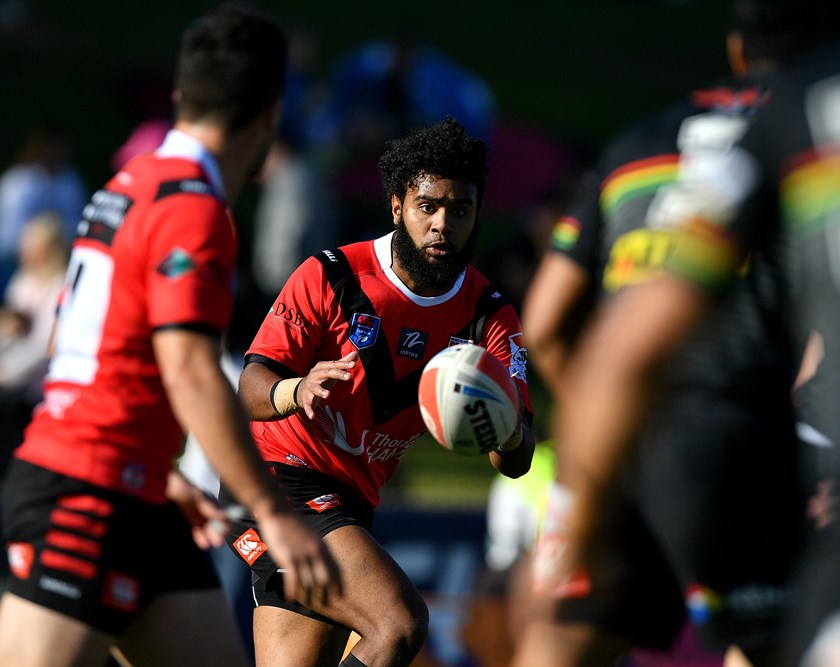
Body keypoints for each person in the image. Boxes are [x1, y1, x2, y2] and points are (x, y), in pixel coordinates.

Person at [0, 5, 341, 666]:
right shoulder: (194, 210)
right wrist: (271, 513)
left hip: (144, 492)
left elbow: (70, 346)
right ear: (270, 115)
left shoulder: (126, 185)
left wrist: (159, 464)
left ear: (183, 95)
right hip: (85, 490)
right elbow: (188, 367)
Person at [518, 0, 840, 665]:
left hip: (624, 431)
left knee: (561, 640)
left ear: (736, 50)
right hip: (743, 437)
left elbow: (546, 324)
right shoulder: (797, 124)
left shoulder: (637, 140)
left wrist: (589, 454)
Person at [220, 116, 536, 667]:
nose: (442, 224)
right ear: (398, 207)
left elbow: (516, 458)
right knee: (398, 623)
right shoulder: (334, 274)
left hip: (351, 505)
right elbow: (248, 388)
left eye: (459, 210)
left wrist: (500, 422)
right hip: (275, 484)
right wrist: (296, 389)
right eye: (427, 206)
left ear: (477, 214)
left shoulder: (491, 318)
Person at [0, 210, 68, 471]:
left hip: (34, 389)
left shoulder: (59, 286)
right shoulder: (23, 281)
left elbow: (44, 346)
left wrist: (6, 373)